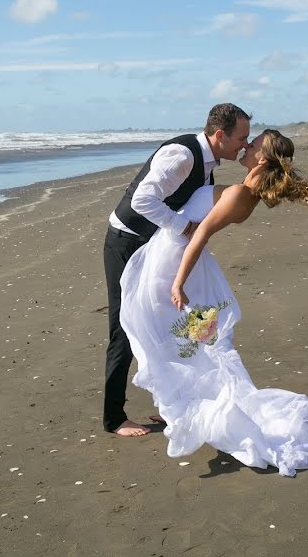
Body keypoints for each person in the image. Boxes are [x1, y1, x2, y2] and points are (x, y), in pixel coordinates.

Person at [120, 129, 308, 476]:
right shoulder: (244, 193)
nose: (246, 144)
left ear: (262, 158)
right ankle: (181, 406)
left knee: (179, 337)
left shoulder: (240, 194)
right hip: (187, 266)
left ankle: (195, 409)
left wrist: (178, 281)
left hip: (175, 266)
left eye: (254, 143)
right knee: (191, 340)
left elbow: (199, 234)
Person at [103, 103, 252, 437]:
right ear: (219, 135)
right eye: (241, 137)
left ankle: (176, 402)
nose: (245, 143)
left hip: (158, 249)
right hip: (126, 243)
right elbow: (142, 200)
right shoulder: (182, 156)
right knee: (125, 327)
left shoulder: (208, 164)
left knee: (178, 323)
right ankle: (113, 418)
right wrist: (183, 227)